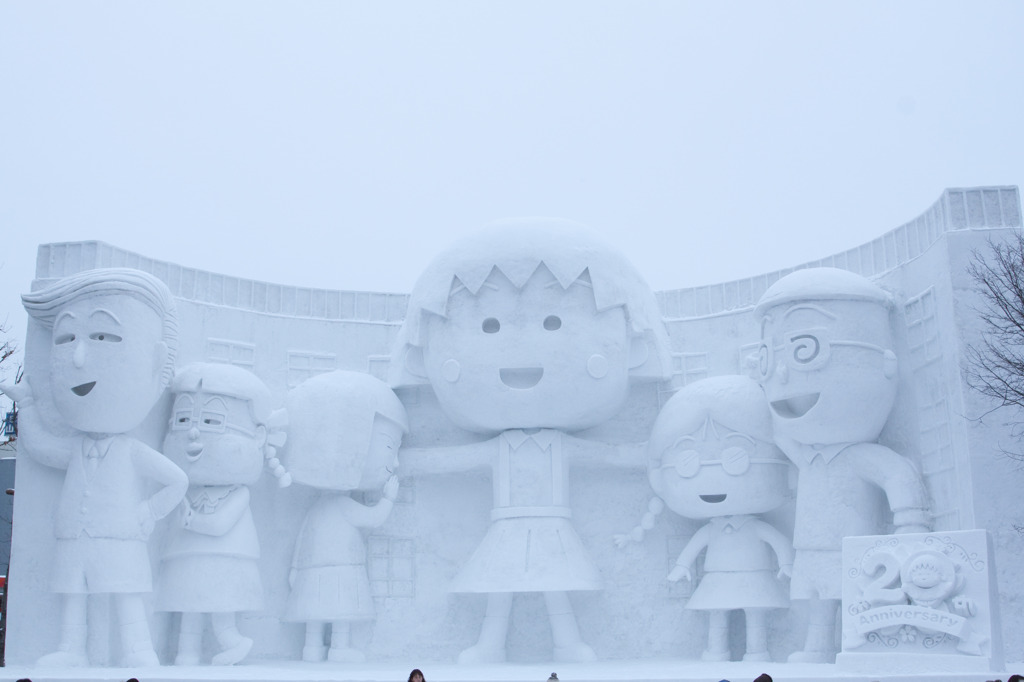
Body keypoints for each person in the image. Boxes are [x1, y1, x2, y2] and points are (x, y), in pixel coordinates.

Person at [391, 220, 671, 663]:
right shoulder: (499, 448)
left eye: (553, 323)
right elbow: (451, 460)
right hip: (506, 525)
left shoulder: (559, 445)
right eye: (490, 327)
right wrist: (403, 460)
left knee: (555, 586)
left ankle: (567, 644)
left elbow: (608, 456)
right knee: (499, 589)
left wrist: (655, 454)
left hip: (552, 524)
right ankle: (490, 645)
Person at [0, 268, 189, 667]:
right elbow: (41, 448)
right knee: (73, 594)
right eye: (66, 339)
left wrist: (147, 512)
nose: (79, 356)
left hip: (120, 538)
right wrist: (29, 406)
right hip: (76, 537)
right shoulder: (75, 448)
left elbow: (177, 480)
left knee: (126, 595)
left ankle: (139, 650)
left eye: (104, 337)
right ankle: (72, 649)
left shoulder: (130, 450)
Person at [753, 268, 931, 662]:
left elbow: (896, 475)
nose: (781, 374)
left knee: (852, 592)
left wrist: (910, 525)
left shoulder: (859, 456)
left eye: (806, 350)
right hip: (811, 547)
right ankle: (817, 646)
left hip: (855, 547)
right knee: (819, 598)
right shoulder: (810, 456)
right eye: (768, 360)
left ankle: (856, 641)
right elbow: (782, 438)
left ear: (886, 363)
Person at [621, 376, 793, 661]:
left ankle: (757, 652)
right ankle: (716, 651)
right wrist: (680, 567)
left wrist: (786, 563)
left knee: (755, 614)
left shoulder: (756, 527)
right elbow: (693, 548)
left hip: (754, 577)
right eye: (687, 465)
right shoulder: (711, 529)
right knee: (717, 615)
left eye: (736, 460)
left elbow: (776, 541)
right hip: (717, 579)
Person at [156, 362, 290, 665]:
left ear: (256, 438)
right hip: (187, 556)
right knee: (188, 605)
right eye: (183, 419)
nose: (193, 432)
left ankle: (234, 642)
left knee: (220, 607)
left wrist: (193, 521)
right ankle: (185, 653)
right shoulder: (186, 489)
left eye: (212, 421)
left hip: (225, 559)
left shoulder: (238, 493)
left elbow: (220, 524)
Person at [282, 370, 407, 662]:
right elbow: (374, 518)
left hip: (317, 571)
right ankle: (338, 648)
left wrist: (296, 568)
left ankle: (312, 648)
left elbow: (302, 539)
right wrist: (388, 498)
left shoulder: (320, 507)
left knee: (317, 610)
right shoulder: (341, 505)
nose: (396, 461)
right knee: (339, 610)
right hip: (339, 570)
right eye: (391, 447)